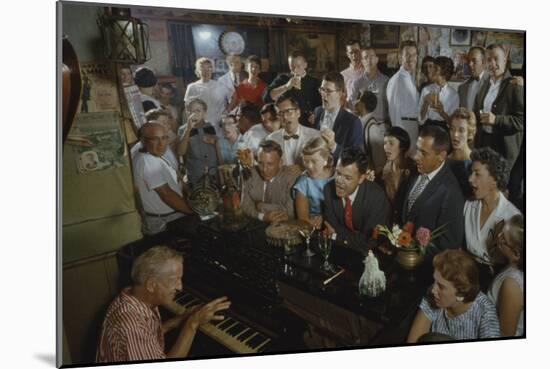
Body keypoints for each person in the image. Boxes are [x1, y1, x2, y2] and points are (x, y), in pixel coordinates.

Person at [97, 246, 231, 362]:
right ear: (151, 285)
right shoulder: (130, 325)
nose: (180, 287)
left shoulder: (132, 297)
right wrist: (192, 324)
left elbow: (147, 335)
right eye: (175, 280)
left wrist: (180, 319)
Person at [407, 249, 500, 342]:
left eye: (441, 286)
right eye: (434, 281)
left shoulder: (486, 313)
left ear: (461, 293)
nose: (433, 289)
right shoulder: (433, 297)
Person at [399, 125, 464, 258]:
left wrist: (414, 250)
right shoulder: (415, 171)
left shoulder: (451, 192)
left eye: (423, 153)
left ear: (441, 156)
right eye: (417, 150)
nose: (416, 157)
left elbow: (449, 244)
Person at [464, 147, 521, 291]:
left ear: (494, 180)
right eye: (471, 173)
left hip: (495, 283)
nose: (470, 179)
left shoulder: (512, 216)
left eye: (477, 174)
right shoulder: (468, 205)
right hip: (465, 275)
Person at [323, 147, 390, 254]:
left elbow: (370, 241)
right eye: (338, 173)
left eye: (347, 178)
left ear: (361, 178)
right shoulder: (328, 189)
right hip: (339, 251)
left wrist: (336, 235)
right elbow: (331, 224)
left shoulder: (377, 198)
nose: (339, 181)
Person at [132, 123, 194, 236]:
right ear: (143, 140)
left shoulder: (149, 156)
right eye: (155, 139)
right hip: (165, 221)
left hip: (163, 217)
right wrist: (191, 211)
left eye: (164, 138)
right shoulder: (148, 161)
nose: (161, 144)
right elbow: (166, 194)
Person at [473, 44, 524, 171]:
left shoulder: (514, 84)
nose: (492, 63)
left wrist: (496, 120)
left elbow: (522, 121)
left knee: (500, 188)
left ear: (505, 59)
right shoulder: (484, 85)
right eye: (489, 60)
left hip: (504, 150)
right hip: (484, 144)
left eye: (496, 58)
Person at [241, 140, 297, 223]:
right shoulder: (249, 174)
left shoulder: (291, 178)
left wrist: (260, 206)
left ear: (280, 163)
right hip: (255, 224)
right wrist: (263, 216)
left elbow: (290, 212)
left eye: (270, 164)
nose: (264, 169)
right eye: (260, 163)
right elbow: (245, 205)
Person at [487, 214, 524, 337]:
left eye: (503, 239)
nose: (498, 237)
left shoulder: (512, 284)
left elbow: (505, 335)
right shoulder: (511, 267)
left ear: (516, 254)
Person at [313, 71, 363, 162]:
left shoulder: (353, 122)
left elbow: (355, 159)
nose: (323, 95)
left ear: (340, 93)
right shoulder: (317, 112)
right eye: (322, 89)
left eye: (328, 91)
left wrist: (333, 146)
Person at [263, 50, 322, 126]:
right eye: (292, 67)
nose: (295, 70)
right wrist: (286, 87)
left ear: (305, 65)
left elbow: (321, 104)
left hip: (307, 125)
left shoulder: (314, 82)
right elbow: (266, 97)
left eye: (298, 66)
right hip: (286, 124)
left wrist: (316, 114)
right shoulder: (282, 79)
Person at [266, 92, 320, 168]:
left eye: (288, 111)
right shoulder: (271, 139)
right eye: (280, 113)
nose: (285, 117)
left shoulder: (315, 136)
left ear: (298, 113)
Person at [176, 98, 220, 188]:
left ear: (204, 113)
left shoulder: (212, 127)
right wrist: (188, 129)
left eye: (198, 111)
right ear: (187, 113)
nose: (194, 114)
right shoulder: (182, 130)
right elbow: (180, 152)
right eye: (191, 111)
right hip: (196, 174)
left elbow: (220, 148)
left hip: (214, 172)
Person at [386, 40, 420, 156]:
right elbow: (394, 112)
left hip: (412, 127)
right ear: (401, 57)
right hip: (404, 129)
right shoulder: (397, 80)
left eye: (414, 55)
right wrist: (399, 139)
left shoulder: (409, 78)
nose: (411, 59)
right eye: (407, 55)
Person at [293, 137, 334, 229]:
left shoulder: (338, 176)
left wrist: (325, 218)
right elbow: (303, 218)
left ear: (326, 159)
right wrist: (314, 224)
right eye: (306, 161)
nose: (309, 166)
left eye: (314, 161)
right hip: (312, 227)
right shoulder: (303, 182)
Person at [184, 57, 227, 137]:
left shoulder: (220, 86)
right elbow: (187, 108)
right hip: (200, 125)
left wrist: (225, 117)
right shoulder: (192, 87)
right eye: (202, 68)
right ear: (198, 71)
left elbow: (228, 102)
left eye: (209, 68)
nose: (206, 71)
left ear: (212, 70)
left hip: (217, 124)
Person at [380, 127, 416, 223]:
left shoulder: (414, 170)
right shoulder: (382, 173)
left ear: (402, 146)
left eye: (391, 143)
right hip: (389, 223)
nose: (386, 147)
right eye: (385, 143)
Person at [418, 56, 459, 130]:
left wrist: (442, 112)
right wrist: (425, 104)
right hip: (427, 128)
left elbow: (453, 124)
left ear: (444, 73)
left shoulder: (453, 95)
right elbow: (420, 120)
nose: (431, 70)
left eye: (435, 68)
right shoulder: (426, 90)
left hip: (444, 130)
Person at [349, 48, 389, 122]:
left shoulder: (386, 81)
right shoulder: (357, 82)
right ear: (362, 61)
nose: (369, 60)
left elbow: (390, 104)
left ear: (377, 59)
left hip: (382, 124)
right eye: (365, 57)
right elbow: (351, 103)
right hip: (363, 124)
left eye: (371, 57)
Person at [447, 108, 477, 198]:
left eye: (461, 130)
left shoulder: (475, 164)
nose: (455, 134)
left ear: (470, 134)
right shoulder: (443, 161)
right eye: (452, 129)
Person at [359, 91, 388, 175]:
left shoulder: (372, 128)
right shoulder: (361, 122)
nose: (356, 102)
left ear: (362, 104)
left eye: (359, 100)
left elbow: (379, 163)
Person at [458, 47, 487, 111]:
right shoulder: (462, 87)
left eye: (474, 61)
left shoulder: (493, 84)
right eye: (468, 61)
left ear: (484, 62)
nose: (470, 64)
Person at [340, 39, 364, 105]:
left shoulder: (368, 71)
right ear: (347, 54)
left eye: (356, 52)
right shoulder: (342, 75)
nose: (354, 56)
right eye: (351, 53)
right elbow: (341, 99)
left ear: (361, 51)